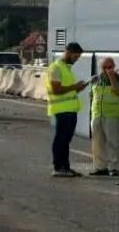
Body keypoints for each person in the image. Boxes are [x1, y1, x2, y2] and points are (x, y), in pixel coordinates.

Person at [46, 42, 87, 178]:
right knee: (61, 139)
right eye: (76, 56)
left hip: (69, 109)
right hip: (61, 109)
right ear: (68, 52)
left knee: (66, 140)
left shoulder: (66, 68)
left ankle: (65, 167)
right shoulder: (56, 68)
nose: (76, 60)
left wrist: (78, 87)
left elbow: (68, 88)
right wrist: (74, 86)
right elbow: (56, 89)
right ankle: (58, 167)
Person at [89, 57, 119, 176]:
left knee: (113, 142)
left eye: (110, 67)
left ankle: (114, 168)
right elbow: (91, 95)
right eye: (104, 67)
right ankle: (100, 167)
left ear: (114, 66)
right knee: (97, 142)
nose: (107, 70)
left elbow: (118, 91)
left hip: (112, 115)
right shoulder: (95, 79)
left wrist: (111, 77)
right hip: (97, 114)